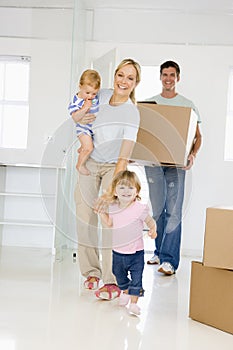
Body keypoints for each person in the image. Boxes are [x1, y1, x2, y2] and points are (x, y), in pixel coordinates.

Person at [74, 58, 141, 300]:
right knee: (84, 216)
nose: (124, 81)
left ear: (135, 83)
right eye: (121, 75)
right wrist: (79, 118)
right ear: (114, 76)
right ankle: (91, 272)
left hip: (114, 166)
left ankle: (112, 280)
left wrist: (110, 190)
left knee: (109, 220)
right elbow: (77, 104)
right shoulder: (99, 95)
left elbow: (124, 157)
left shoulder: (132, 114)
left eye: (130, 78)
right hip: (90, 162)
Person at [145, 60, 202, 275]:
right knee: (158, 210)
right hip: (154, 164)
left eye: (172, 75)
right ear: (160, 77)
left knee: (174, 212)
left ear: (178, 78)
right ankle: (158, 252)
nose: (168, 78)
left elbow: (197, 137)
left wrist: (193, 155)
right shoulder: (150, 104)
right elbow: (144, 134)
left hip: (177, 165)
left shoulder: (188, 105)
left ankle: (169, 261)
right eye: (165, 74)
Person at [96, 170, 157, 315]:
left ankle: (134, 304)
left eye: (130, 188)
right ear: (115, 191)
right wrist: (101, 213)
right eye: (122, 187)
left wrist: (153, 230)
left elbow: (151, 222)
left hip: (136, 253)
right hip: (118, 252)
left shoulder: (140, 209)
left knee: (137, 278)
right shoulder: (113, 208)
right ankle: (125, 291)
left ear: (137, 192)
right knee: (118, 274)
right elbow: (109, 224)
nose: (126, 191)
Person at [68, 69, 101, 175]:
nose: (90, 96)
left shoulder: (93, 97)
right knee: (89, 148)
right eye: (87, 93)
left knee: (88, 146)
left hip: (92, 128)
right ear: (80, 86)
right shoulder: (76, 101)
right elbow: (75, 117)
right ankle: (79, 165)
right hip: (83, 128)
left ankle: (82, 147)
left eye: (94, 93)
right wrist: (85, 109)